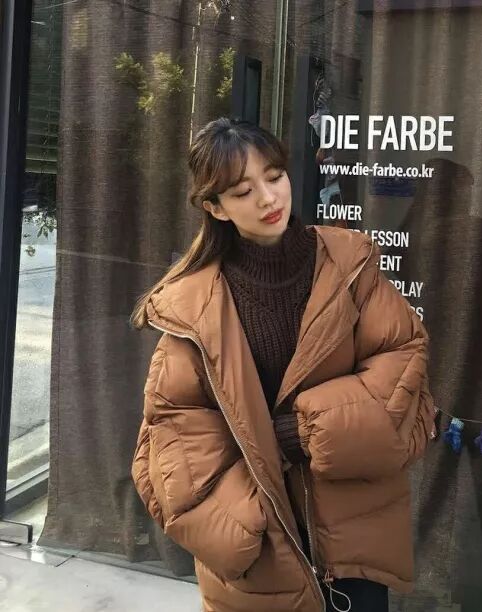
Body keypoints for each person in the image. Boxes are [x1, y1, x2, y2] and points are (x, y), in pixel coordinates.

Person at [129, 117, 436, 612]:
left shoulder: (349, 263)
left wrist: (305, 433)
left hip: (352, 528)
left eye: (274, 177)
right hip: (260, 546)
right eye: (243, 191)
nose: (268, 198)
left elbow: (401, 363)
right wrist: (244, 518)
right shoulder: (192, 307)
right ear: (215, 207)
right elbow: (173, 433)